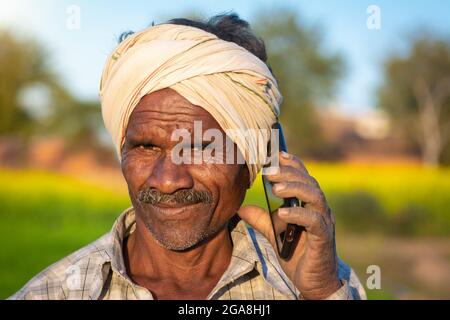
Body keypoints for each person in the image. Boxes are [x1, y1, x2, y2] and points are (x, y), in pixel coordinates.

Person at [10, 13, 366, 300]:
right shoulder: (51, 293)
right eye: (145, 147)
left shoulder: (316, 284)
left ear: (255, 162)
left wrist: (319, 294)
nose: (167, 180)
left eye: (199, 147)